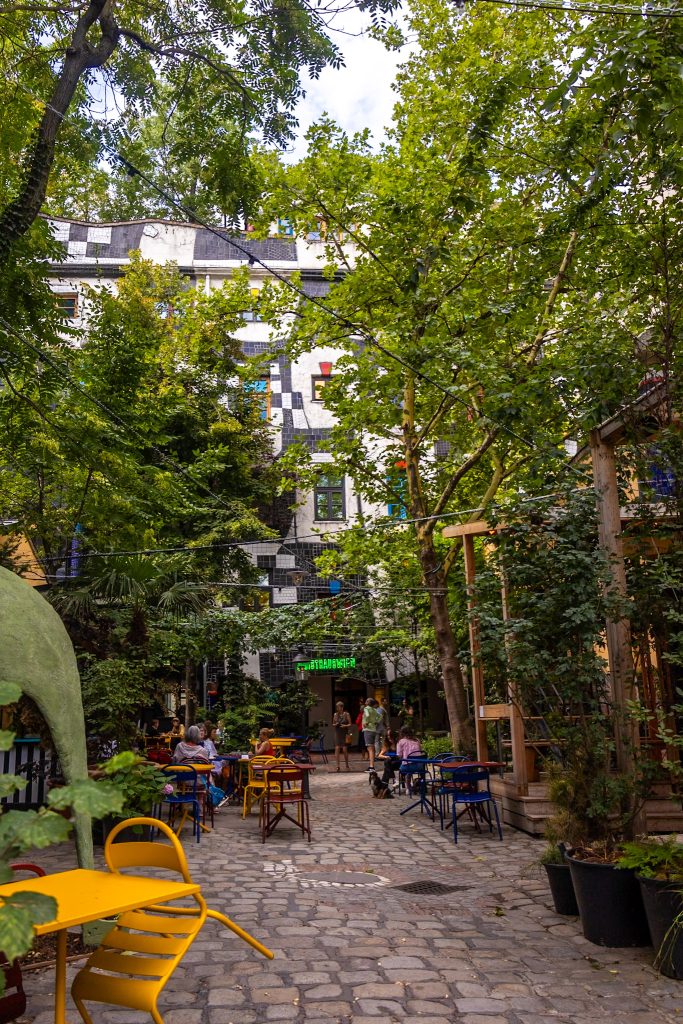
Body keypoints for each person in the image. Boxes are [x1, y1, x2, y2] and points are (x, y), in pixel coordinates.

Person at [361, 698, 382, 770]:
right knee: (372, 748)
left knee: (370, 748)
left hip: (367, 729)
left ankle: (371, 766)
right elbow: (380, 716)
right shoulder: (374, 710)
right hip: (373, 730)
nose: (365, 701)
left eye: (367, 700)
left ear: (368, 703)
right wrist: (376, 722)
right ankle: (371, 766)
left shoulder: (366, 708)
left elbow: (367, 715)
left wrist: (366, 722)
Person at [332, 701, 352, 772]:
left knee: (344, 749)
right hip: (337, 733)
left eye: (338, 707)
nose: (337, 708)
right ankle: (338, 766)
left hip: (344, 733)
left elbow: (350, 724)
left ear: (342, 707)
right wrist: (336, 724)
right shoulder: (335, 714)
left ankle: (347, 764)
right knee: (337, 748)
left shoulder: (346, 714)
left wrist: (345, 726)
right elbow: (333, 724)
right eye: (337, 707)